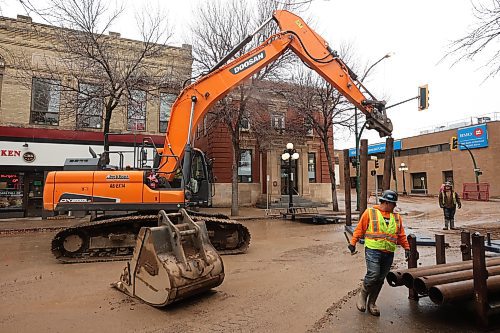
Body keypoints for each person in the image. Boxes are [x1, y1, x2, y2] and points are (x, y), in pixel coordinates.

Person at [347, 190, 410, 316]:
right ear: (387, 202)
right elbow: (360, 229)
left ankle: (372, 303)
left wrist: (407, 248)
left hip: (388, 252)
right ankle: (363, 295)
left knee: (380, 279)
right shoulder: (370, 213)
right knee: (373, 274)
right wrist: (352, 243)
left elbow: (401, 235)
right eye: (393, 204)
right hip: (373, 250)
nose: (394, 207)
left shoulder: (396, 217)